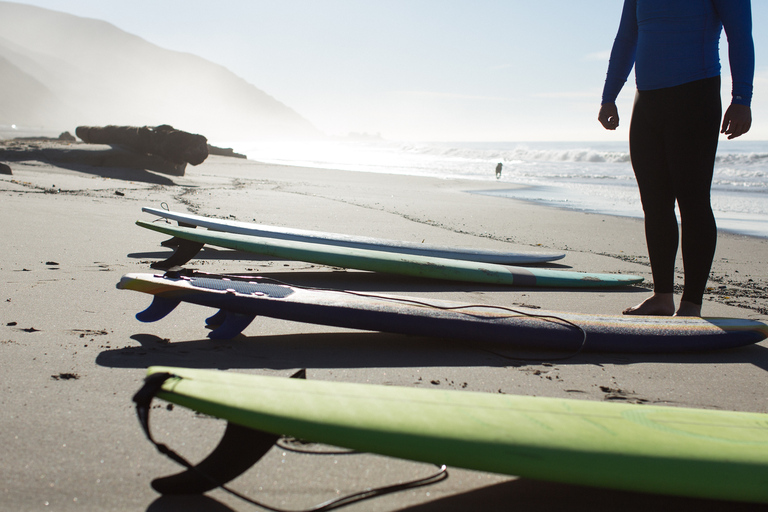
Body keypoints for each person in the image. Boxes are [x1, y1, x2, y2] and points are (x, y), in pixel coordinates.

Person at [598, 0, 754, 317]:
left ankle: (691, 304)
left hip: (696, 93)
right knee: (654, 202)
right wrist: (609, 96)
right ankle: (662, 296)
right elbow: (626, 37)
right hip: (647, 101)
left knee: (693, 200)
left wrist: (742, 98)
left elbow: (740, 35)